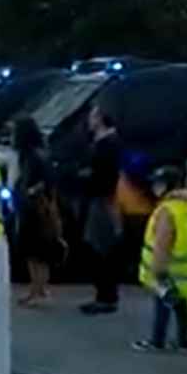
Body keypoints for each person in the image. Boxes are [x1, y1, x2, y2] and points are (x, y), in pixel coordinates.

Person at [132, 167, 187, 352]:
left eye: (159, 183)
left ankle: (157, 341)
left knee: (162, 305)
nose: (155, 186)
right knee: (181, 305)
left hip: (168, 268)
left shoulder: (166, 211)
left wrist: (158, 271)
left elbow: (163, 242)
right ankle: (185, 341)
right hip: (186, 270)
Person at [12, 117, 62, 305]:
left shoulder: (31, 156)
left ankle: (37, 290)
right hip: (35, 207)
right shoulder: (39, 153)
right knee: (38, 251)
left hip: (32, 209)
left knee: (34, 251)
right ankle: (39, 289)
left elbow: (42, 181)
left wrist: (29, 192)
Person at [78, 106, 123, 315]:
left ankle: (107, 296)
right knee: (97, 247)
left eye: (93, 116)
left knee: (102, 247)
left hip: (103, 199)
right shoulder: (101, 142)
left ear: (101, 119)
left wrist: (87, 177)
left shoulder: (108, 144)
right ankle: (103, 294)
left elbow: (104, 174)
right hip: (99, 198)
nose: (89, 120)